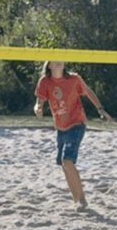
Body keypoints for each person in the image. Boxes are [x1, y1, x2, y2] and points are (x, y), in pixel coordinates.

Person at [34, 61, 112, 212]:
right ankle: (77, 199)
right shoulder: (45, 81)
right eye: (54, 61)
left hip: (76, 123)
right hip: (61, 127)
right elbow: (39, 102)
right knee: (64, 165)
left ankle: (82, 200)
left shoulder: (74, 79)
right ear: (49, 65)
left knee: (67, 161)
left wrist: (100, 109)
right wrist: (38, 108)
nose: (58, 63)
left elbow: (88, 92)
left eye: (60, 61)